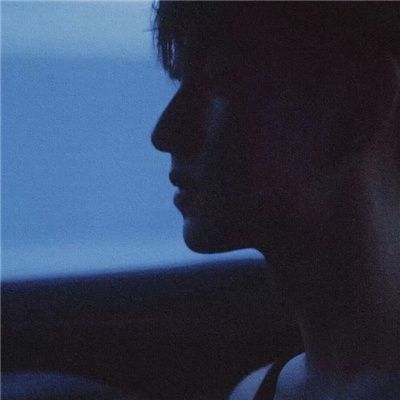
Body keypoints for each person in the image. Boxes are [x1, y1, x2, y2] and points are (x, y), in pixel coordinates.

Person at [151, 2, 400, 399]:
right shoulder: (252, 392)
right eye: (182, 82)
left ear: (360, 104)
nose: (165, 131)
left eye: (221, 82)